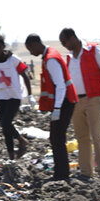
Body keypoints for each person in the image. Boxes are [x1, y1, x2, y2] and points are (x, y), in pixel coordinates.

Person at [60, 28, 100, 180]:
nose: (64, 46)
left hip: (93, 98)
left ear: (73, 38)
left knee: (96, 135)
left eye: (65, 42)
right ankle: (86, 172)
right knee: (82, 137)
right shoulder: (69, 58)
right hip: (76, 101)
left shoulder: (93, 50)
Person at [25, 33, 78, 181]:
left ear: (35, 44)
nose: (31, 52)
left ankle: (61, 175)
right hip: (64, 102)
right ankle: (61, 172)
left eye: (30, 49)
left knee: (57, 138)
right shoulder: (49, 55)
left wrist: (57, 109)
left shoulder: (50, 59)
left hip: (65, 102)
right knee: (56, 138)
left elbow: (60, 86)